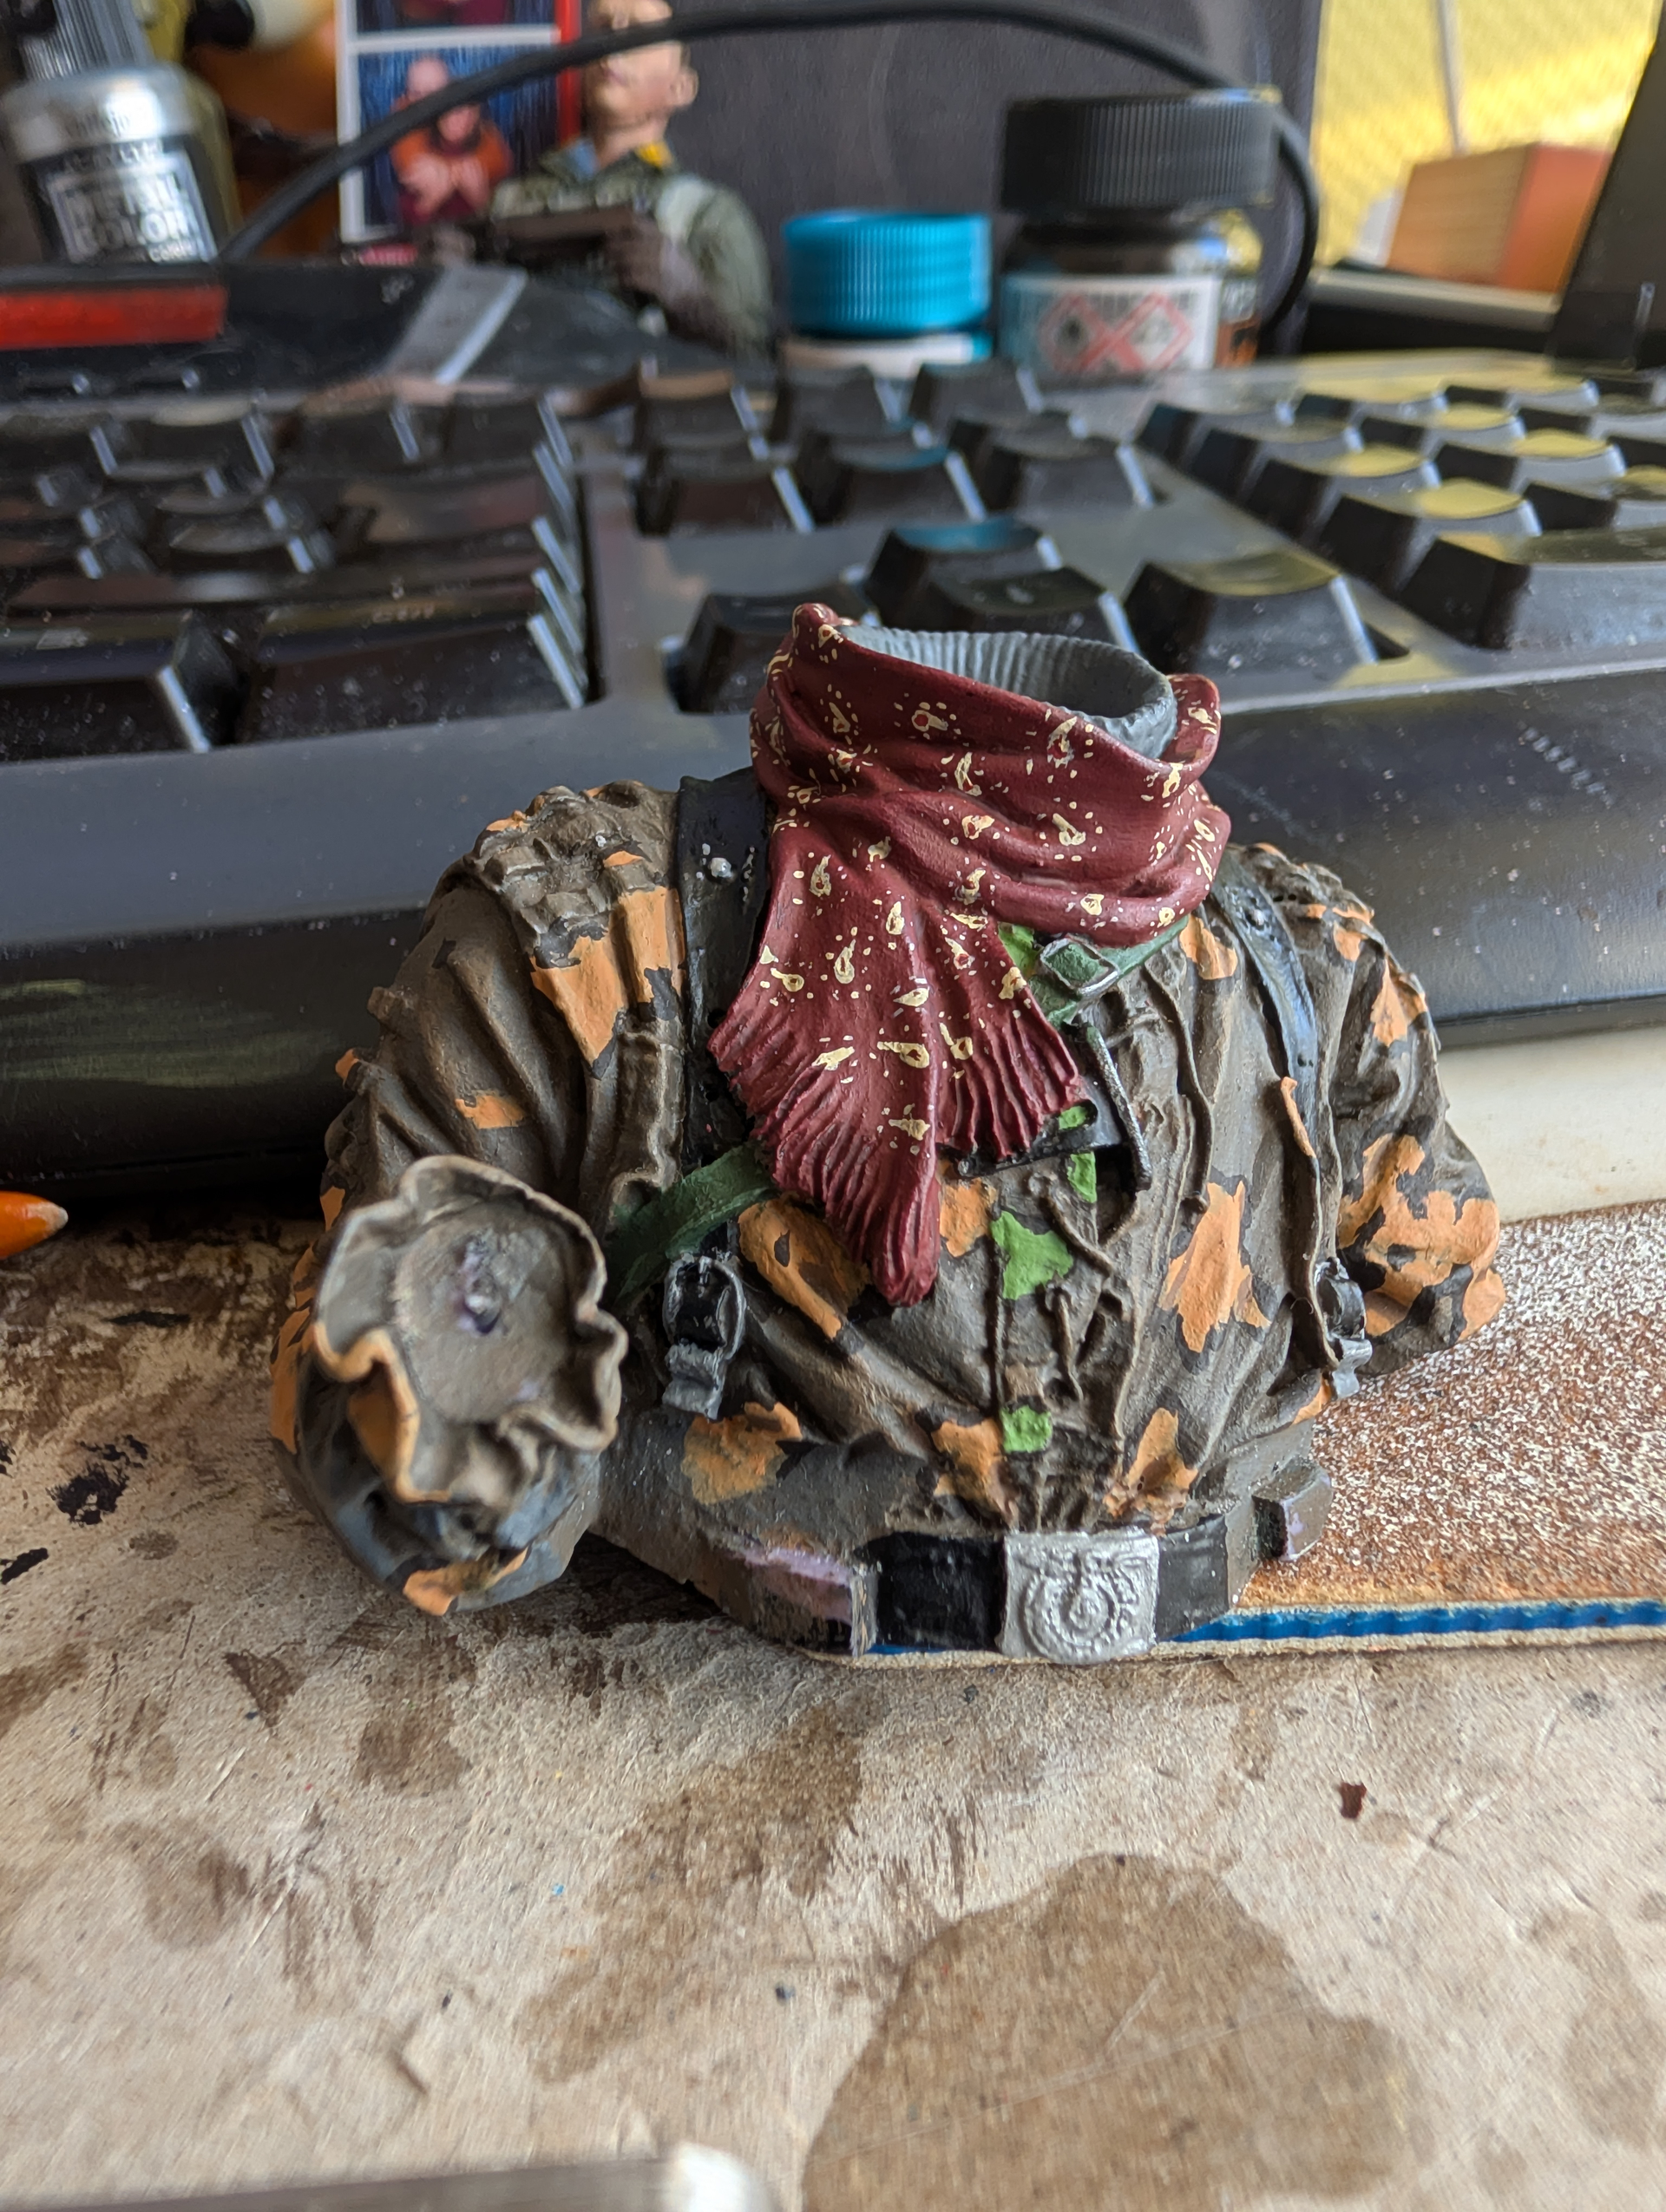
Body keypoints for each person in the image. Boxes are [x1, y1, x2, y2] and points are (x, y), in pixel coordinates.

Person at [272, 617, 1505, 1659]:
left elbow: (1424, 1278)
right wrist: (526, 1461)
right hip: (725, 1686)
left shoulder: (1303, 960)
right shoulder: (587, 932)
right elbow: (388, 1397)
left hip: (1225, 1684)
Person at [492, 0, 771, 353]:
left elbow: (752, 360)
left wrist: (688, 297)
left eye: (639, 32)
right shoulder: (511, 202)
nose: (613, 44)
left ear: (680, 87)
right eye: (603, 28)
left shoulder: (708, 216)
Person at [389, 56, 513, 227]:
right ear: (408, 96)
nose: (425, 103)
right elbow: (408, 216)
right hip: (428, 237)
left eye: (434, 95)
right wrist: (432, 200)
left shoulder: (486, 137)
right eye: (417, 94)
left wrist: (478, 197)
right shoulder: (404, 127)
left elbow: (501, 169)